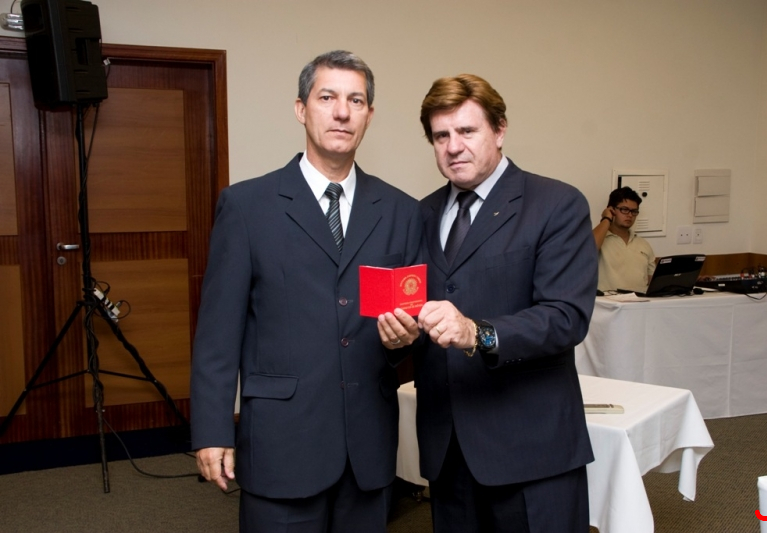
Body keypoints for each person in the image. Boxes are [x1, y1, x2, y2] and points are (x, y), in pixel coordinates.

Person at [190, 50, 422, 533]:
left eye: (355, 101)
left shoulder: (401, 211)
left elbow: (407, 324)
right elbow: (217, 334)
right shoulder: (247, 206)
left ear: (369, 115)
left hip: (368, 444)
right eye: (327, 97)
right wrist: (212, 430)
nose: (342, 112)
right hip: (283, 441)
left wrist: (404, 341)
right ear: (301, 109)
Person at [412, 73, 597, 532]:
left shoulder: (556, 204)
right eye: (441, 136)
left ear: (499, 130)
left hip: (530, 448)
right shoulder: (420, 214)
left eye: (467, 131)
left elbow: (566, 317)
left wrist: (476, 332)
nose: (454, 147)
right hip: (448, 449)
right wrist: (397, 335)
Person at [593, 186, 656, 293]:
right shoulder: (600, 239)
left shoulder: (643, 244)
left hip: (640, 300)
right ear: (611, 210)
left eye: (634, 211)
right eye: (624, 210)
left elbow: (653, 281)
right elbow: (588, 250)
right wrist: (606, 218)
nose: (630, 215)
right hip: (608, 300)